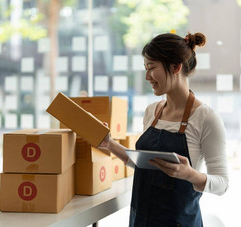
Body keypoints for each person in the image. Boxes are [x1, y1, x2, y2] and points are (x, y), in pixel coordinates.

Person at [98, 32, 229, 227]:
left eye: (151, 68)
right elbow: (146, 165)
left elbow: (222, 184)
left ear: (176, 67)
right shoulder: (152, 111)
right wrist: (109, 143)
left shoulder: (206, 118)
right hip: (141, 219)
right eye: (145, 68)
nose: (147, 76)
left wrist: (189, 174)